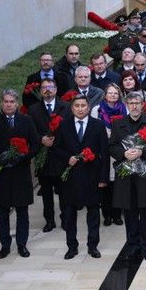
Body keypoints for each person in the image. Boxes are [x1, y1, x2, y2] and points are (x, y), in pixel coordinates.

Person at [0, 89, 41, 259]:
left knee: (22, 210)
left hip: (20, 172)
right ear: (2, 103)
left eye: (12, 102)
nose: (9, 104)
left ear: (17, 103)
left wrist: (23, 157)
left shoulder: (26, 121)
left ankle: (22, 245)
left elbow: (35, 144)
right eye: (6, 101)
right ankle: (5, 246)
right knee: (3, 211)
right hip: (2, 174)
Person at [53, 94, 110, 260]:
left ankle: (93, 246)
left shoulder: (98, 125)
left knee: (93, 214)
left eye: (83, 106)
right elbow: (56, 149)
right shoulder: (63, 126)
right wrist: (67, 158)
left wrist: (103, 178)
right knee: (69, 215)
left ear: (88, 107)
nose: (80, 109)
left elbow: (104, 154)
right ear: (72, 108)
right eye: (76, 106)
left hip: (92, 176)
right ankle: (72, 247)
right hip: (70, 177)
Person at [109, 93, 146, 260]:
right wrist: (124, 153)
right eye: (131, 103)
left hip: (145, 174)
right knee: (130, 212)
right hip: (126, 174)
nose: (134, 106)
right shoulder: (118, 123)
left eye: (137, 103)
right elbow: (112, 147)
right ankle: (132, 245)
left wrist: (142, 152)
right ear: (126, 105)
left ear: (142, 104)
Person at [28, 79, 71, 232]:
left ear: (56, 89)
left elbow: (69, 130)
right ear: (40, 91)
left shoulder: (66, 107)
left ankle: (65, 218)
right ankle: (49, 221)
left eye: (50, 87)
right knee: (46, 192)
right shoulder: (33, 109)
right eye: (44, 87)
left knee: (64, 191)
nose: (47, 90)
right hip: (43, 158)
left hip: (61, 157)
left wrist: (56, 141)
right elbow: (30, 132)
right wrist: (41, 140)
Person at [90, 83, 126, 226]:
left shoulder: (124, 109)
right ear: (105, 95)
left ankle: (117, 215)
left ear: (119, 95)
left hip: (119, 149)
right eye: (109, 93)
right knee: (104, 184)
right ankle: (107, 215)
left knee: (118, 184)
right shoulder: (97, 110)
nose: (112, 95)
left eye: (115, 93)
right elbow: (93, 129)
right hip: (102, 151)